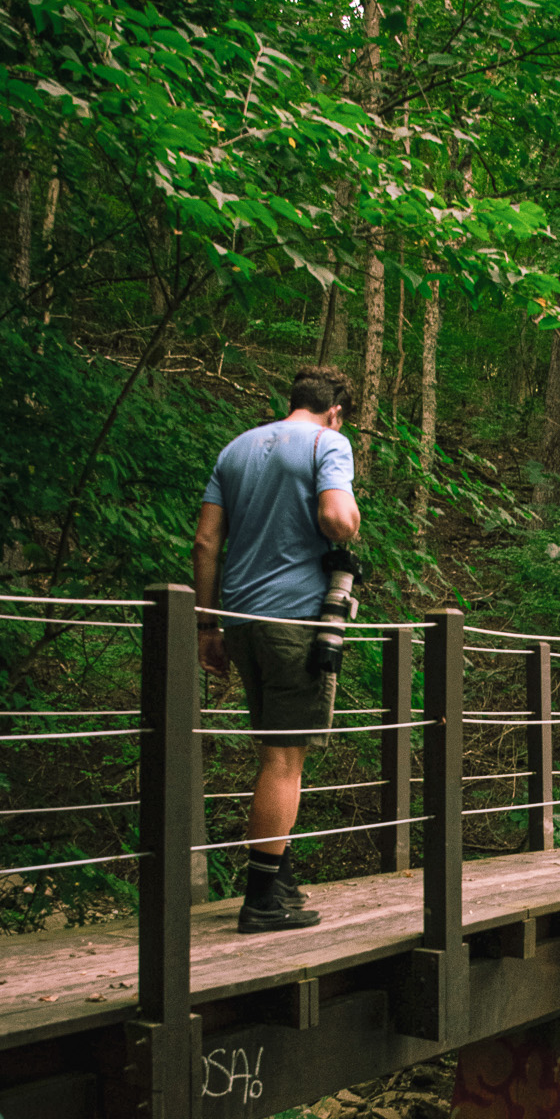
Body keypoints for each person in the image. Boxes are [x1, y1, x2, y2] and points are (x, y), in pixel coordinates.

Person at [193, 365, 362, 933]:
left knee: (272, 751)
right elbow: (337, 520)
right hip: (293, 620)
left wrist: (207, 625)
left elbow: (206, 540)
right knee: (284, 761)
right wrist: (351, 521)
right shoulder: (327, 443)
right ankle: (261, 898)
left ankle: (280, 882)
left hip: (239, 618)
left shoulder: (235, 450)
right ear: (335, 410)